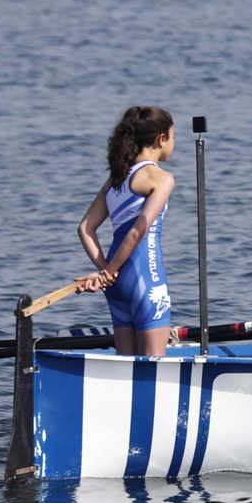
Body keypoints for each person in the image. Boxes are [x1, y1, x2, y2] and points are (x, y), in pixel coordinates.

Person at [76, 106, 176, 358]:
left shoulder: (116, 177)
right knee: (155, 370)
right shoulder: (161, 178)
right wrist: (108, 272)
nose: (174, 143)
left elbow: (85, 228)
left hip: (117, 284)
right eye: (174, 137)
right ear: (161, 139)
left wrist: (106, 272)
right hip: (146, 278)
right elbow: (137, 232)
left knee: (127, 371)